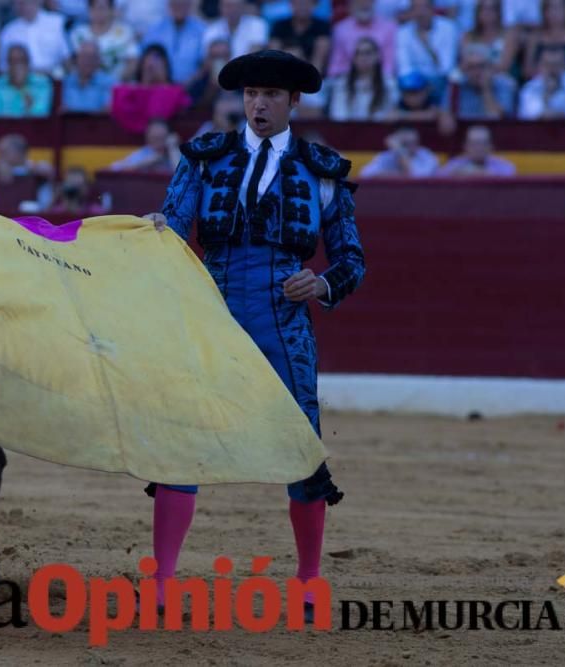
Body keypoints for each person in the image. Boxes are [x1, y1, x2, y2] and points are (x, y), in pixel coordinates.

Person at [141, 50, 364, 622]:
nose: (258, 104)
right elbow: (172, 219)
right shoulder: (204, 157)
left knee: (299, 444)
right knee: (183, 438)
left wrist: (319, 284)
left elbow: (352, 261)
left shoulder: (323, 170)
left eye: (270, 95)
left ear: (294, 101)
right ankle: (163, 579)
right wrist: (159, 227)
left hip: (282, 317)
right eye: (250, 95)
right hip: (211, 311)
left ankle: (309, 579)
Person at [324, 36, 398, 120]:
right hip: (348, 130)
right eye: (358, 53)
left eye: (368, 53)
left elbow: (390, 115)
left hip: (379, 130)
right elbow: (338, 115)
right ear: (353, 59)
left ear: (378, 56)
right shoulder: (342, 83)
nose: (363, 58)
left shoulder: (389, 82)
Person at [396, 0, 460, 97]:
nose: (420, 12)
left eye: (424, 7)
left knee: (449, 80)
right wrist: (419, 83)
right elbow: (404, 67)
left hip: (440, 80)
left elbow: (446, 67)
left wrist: (427, 45)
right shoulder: (403, 32)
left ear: (432, 9)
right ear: (410, 11)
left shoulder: (448, 28)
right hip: (414, 82)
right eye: (415, 8)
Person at [68, 0, 140, 81]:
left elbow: (133, 63)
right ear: (89, 10)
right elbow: (70, 62)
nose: (98, 12)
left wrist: (115, 81)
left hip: (116, 85)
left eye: (102, 8)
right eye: (94, 7)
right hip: (84, 86)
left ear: (112, 10)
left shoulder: (125, 32)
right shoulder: (78, 33)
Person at [0, 0, 70, 76]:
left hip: (53, 78)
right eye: (21, 3)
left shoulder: (57, 23)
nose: (26, 6)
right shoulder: (8, 31)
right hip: (22, 82)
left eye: (30, 2)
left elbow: (67, 59)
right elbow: (2, 68)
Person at [141, 0, 207, 84]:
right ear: (168, 4)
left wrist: (190, 83)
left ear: (190, 4)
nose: (179, 7)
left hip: (191, 88)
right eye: (175, 3)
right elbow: (146, 61)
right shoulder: (154, 30)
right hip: (159, 87)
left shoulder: (202, 31)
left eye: (183, 3)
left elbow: (204, 65)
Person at [445, 43, 517, 118]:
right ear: (464, 71)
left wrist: (486, 89)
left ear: (490, 67)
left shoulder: (505, 85)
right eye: (471, 67)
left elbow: (498, 119)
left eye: (481, 66)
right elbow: (446, 116)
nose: (476, 72)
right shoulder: (456, 87)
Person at [329, 0, 398, 77]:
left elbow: (389, 65)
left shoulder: (389, 28)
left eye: (368, 1)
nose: (364, 4)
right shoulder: (340, 29)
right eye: (359, 1)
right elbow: (336, 66)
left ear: (374, 2)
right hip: (348, 80)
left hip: (380, 81)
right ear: (351, 4)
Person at [517, 45, 565, 119]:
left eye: (557, 64)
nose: (552, 69)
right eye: (548, 64)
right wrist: (548, 94)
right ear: (539, 65)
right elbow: (533, 115)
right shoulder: (530, 88)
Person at [521, 0, 565, 80]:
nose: (554, 12)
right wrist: (546, 70)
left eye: (559, 8)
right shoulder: (535, 38)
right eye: (550, 8)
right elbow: (527, 71)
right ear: (544, 12)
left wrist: (560, 68)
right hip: (540, 84)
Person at [0, 44, 53, 117]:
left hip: (32, 127)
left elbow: (44, 118)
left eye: (21, 61)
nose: (17, 66)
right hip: (4, 128)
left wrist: (29, 105)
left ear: (28, 63)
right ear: (8, 64)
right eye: (13, 61)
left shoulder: (42, 84)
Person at [268, 0, 331, 75]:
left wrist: (300, 59)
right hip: (282, 72)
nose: (302, 7)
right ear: (291, 4)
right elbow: (273, 56)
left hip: (311, 76)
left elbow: (318, 63)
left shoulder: (322, 27)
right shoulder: (280, 25)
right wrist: (289, 55)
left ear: (315, 5)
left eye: (306, 3)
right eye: (299, 3)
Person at [459, 0, 520, 74]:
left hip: (498, 77)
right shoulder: (467, 36)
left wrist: (481, 63)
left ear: (498, 11)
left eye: (491, 9)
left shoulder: (508, 36)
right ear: (477, 11)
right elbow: (463, 64)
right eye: (483, 8)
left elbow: (504, 67)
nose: (487, 12)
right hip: (470, 76)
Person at [360, 125, 440, 177]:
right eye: (405, 144)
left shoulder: (426, 156)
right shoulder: (387, 156)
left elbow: (415, 178)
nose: (411, 146)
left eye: (414, 142)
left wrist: (401, 153)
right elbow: (365, 174)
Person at [436, 124, 517, 176]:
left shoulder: (504, 166)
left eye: (482, 143)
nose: (478, 148)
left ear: (490, 147)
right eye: (474, 144)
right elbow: (439, 178)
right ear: (466, 147)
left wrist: (486, 174)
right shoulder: (454, 165)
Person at [62, 39, 116, 113]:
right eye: (84, 57)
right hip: (68, 123)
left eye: (92, 57)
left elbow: (107, 110)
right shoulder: (64, 83)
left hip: (97, 123)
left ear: (99, 60)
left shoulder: (110, 83)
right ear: (77, 59)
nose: (88, 61)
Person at [202, 0, 270, 58]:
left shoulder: (257, 24)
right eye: (228, 6)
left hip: (248, 69)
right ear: (220, 7)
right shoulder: (212, 29)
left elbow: (255, 53)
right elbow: (208, 58)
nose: (232, 10)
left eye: (236, 6)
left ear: (243, 7)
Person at [109, 118, 181, 172]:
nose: (157, 138)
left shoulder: (176, 153)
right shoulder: (142, 154)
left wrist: (173, 148)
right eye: (154, 137)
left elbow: (182, 176)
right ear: (147, 136)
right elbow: (113, 169)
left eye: (160, 138)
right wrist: (146, 163)